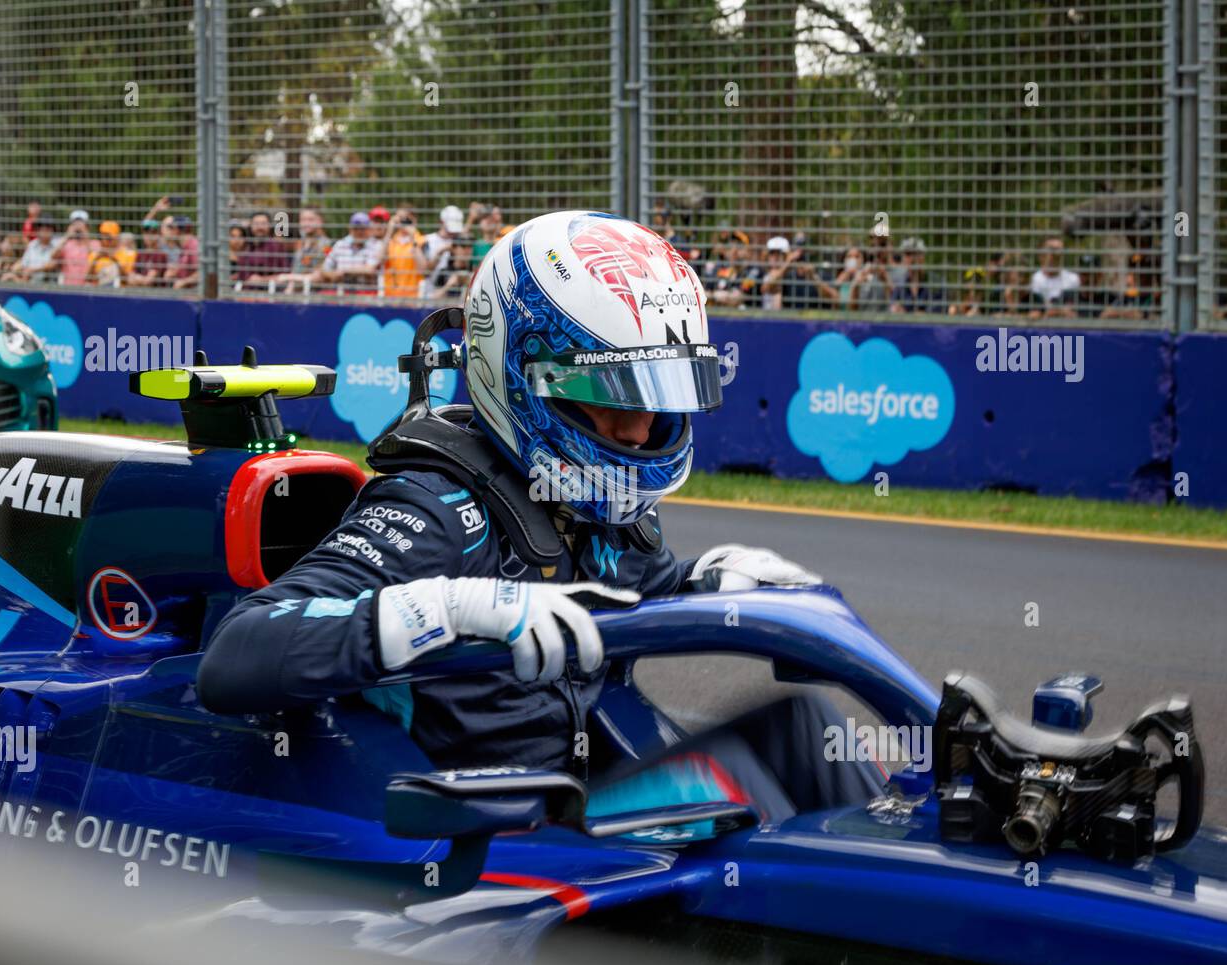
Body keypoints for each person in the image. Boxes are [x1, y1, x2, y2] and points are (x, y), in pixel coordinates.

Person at [198, 210, 880, 821]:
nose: (641, 429)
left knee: (805, 730)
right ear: (524, 373)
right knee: (773, 792)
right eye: (614, 392)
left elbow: (620, 600)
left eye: (661, 391)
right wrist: (444, 607)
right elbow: (235, 653)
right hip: (497, 847)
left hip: (588, 807)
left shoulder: (607, 510)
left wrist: (700, 581)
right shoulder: (435, 512)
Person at [315, 210, 386, 292]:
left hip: (365, 292)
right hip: (340, 290)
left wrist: (344, 271)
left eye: (363, 228)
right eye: (356, 228)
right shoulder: (340, 244)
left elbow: (369, 269)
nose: (359, 232)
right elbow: (325, 267)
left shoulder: (376, 245)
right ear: (350, 229)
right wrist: (332, 275)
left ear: (369, 229)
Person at [381, 203, 426, 298]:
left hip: (412, 297)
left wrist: (412, 236)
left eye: (406, 218)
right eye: (400, 218)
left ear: (414, 219)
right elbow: (379, 261)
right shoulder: (392, 241)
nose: (403, 222)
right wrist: (389, 230)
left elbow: (423, 269)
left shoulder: (421, 240)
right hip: (390, 296)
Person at [1030, 237, 1079, 318]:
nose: (1057, 253)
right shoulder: (1033, 280)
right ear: (1041, 255)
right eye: (1052, 249)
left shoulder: (1074, 279)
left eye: (1060, 250)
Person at [6, 216, 60, 282]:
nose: (45, 231)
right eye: (41, 228)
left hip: (49, 283)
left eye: (48, 228)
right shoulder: (32, 244)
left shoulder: (57, 244)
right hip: (30, 281)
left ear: (53, 230)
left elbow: (53, 264)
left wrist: (33, 270)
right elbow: (24, 262)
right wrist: (13, 270)